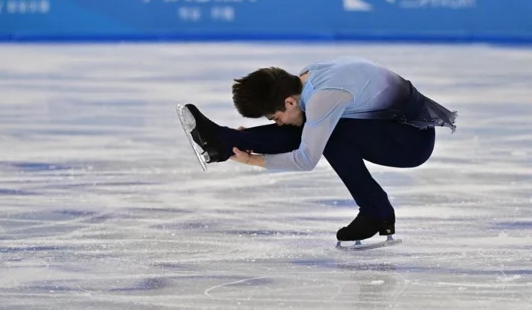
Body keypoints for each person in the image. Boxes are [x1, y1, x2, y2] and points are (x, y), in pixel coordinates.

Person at [179, 56, 457, 243]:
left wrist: (253, 159)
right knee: (312, 127)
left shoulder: (324, 97)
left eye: (274, 119)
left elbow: (306, 159)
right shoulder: (307, 80)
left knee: (328, 135)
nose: (277, 123)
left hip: (410, 142)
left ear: (288, 102)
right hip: (390, 126)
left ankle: (376, 212)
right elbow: (304, 127)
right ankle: (222, 141)